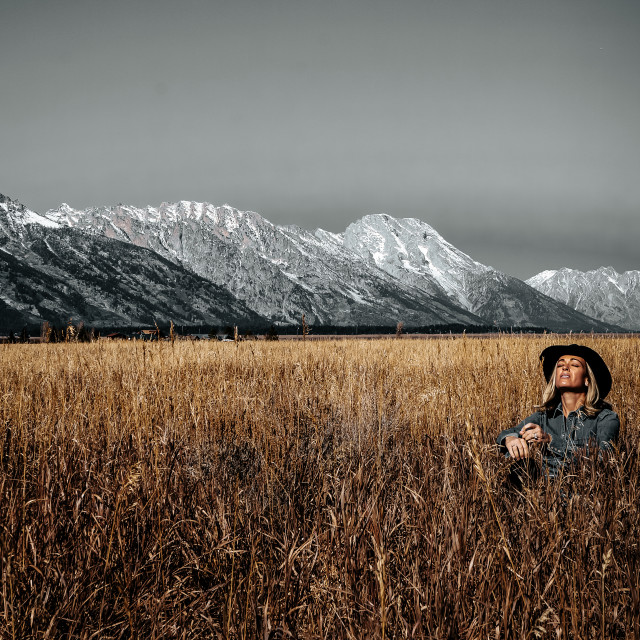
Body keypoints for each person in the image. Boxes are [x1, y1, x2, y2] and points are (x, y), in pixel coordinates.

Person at [497, 344, 620, 478]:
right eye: (560, 365)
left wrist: (551, 440)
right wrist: (511, 440)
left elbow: (604, 460)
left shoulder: (605, 418)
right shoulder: (544, 417)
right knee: (519, 468)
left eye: (575, 365)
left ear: (587, 380)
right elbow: (507, 433)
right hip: (543, 493)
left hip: (584, 494)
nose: (565, 367)